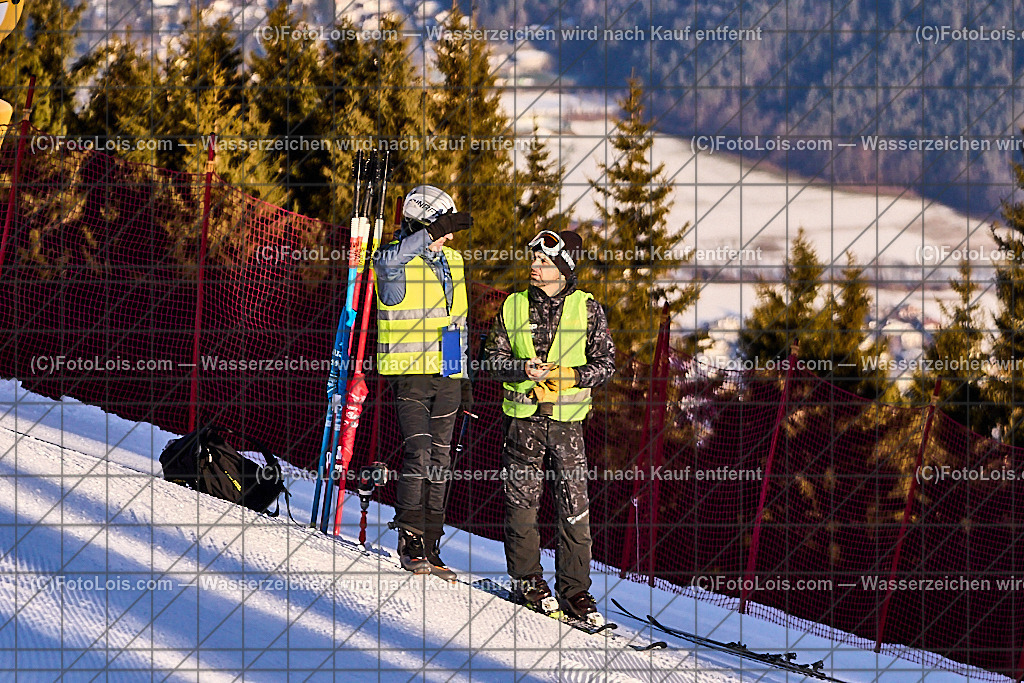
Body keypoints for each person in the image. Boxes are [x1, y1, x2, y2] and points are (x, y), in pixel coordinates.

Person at [483, 229, 616, 623]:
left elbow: (606, 365)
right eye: (534, 260)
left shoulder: (587, 309)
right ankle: (527, 582)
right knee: (522, 505)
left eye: (544, 262)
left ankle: (575, 591)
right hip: (522, 420)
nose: (535, 267)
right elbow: (490, 360)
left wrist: (574, 376)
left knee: (574, 508)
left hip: (567, 426)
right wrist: (520, 369)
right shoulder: (513, 305)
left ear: (564, 268)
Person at [374, 185, 473, 579]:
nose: (447, 236)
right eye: (441, 227)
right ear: (422, 222)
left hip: (446, 374)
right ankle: (410, 540)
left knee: (442, 461)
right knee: (419, 454)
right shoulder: (392, 260)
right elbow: (388, 264)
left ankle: (432, 545)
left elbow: (455, 320)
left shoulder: (453, 260)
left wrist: (462, 374)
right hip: (410, 374)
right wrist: (428, 234)